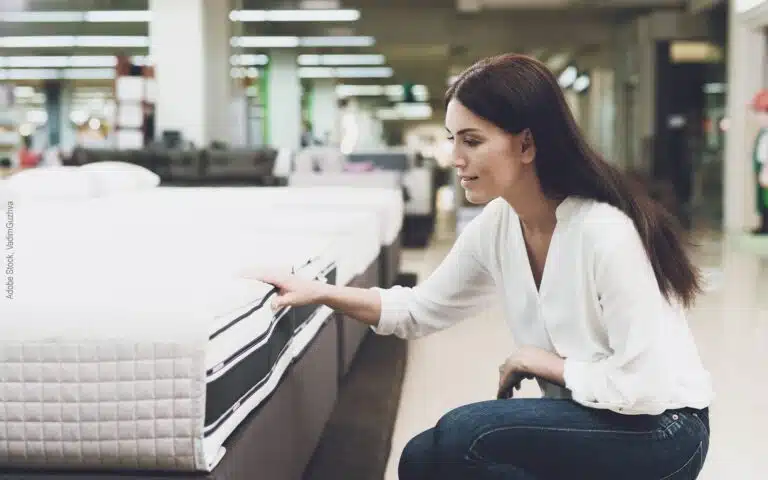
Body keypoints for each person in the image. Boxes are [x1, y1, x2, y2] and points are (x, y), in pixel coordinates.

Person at [251, 54, 713, 479]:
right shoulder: (499, 224)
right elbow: (419, 310)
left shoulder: (603, 231)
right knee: (420, 459)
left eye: (472, 141)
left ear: (527, 144)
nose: (455, 159)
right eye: (454, 140)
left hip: (663, 430)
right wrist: (321, 292)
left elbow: (646, 390)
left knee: (465, 436)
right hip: (593, 416)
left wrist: (546, 363)